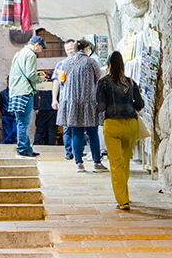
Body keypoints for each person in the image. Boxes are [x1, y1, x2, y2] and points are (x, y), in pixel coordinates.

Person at [97, 50, 145, 210]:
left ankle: (123, 200)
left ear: (109, 65)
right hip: (130, 125)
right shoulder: (131, 82)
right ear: (123, 65)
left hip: (112, 125)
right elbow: (140, 104)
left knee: (116, 164)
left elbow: (101, 106)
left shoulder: (103, 82)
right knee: (125, 162)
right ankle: (124, 193)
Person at [57, 40, 104, 172]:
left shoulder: (65, 62)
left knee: (76, 133)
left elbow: (61, 82)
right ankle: (97, 162)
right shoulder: (91, 62)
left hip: (72, 103)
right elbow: (99, 79)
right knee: (92, 134)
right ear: (86, 48)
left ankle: (79, 163)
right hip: (89, 102)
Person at [8, 35, 45, 157]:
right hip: (24, 91)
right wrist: (40, 79)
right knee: (23, 122)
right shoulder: (30, 55)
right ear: (36, 45)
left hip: (15, 91)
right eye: (41, 48)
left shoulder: (18, 54)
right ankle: (23, 149)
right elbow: (30, 75)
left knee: (20, 121)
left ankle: (26, 147)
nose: (40, 51)